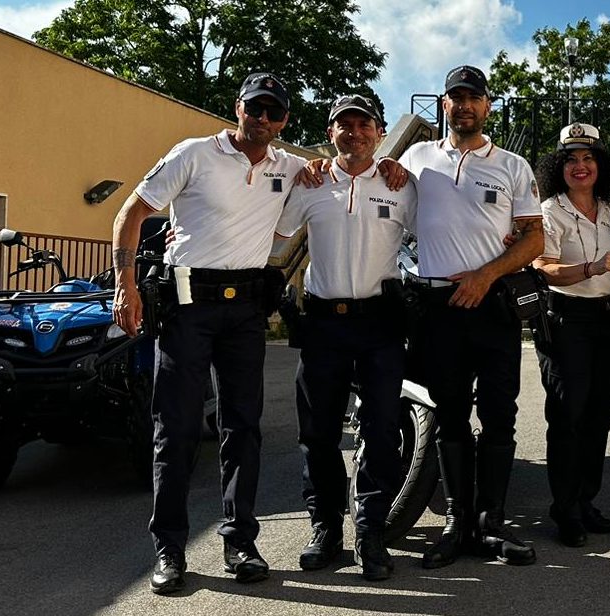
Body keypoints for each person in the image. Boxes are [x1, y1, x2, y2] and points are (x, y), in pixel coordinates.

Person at [111, 72, 305, 594]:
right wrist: (124, 286)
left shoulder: (293, 168)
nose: (261, 118)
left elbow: (347, 175)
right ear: (236, 107)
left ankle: (240, 541)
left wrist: (393, 169)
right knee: (174, 429)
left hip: (245, 309)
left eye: (273, 111)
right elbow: (131, 212)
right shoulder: (194, 153)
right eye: (253, 108)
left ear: (284, 120)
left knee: (243, 427)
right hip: (187, 306)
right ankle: (170, 549)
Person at [397, 65, 543, 568]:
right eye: (455, 98)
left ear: (487, 105)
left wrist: (485, 275)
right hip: (437, 308)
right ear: (443, 105)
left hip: (492, 306)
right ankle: (458, 522)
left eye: (473, 98)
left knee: (500, 414)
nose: (464, 106)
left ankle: (492, 523)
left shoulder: (513, 166)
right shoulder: (415, 158)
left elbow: (534, 238)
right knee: (450, 413)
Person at [274, 95, 416, 581]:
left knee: (380, 431)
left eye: (363, 124)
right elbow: (267, 228)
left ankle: (371, 530)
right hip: (322, 323)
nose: (353, 132)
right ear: (330, 133)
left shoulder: (401, 185)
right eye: (343, 125)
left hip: (380, 323)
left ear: (378, 132)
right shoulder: (310, 183)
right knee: (318, 432)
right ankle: (326, 527)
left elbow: (439, 232)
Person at [530, 123, 610, 547]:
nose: (580, 166)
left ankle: (586, 499)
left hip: (609, 321)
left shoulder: (609, 210)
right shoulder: (550, 210)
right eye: (571, 159)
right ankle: (565, 507)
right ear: (559, 166)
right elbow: (544, 267)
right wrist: (590, 268)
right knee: (568, 417)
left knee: (600, 416)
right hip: (568, 321)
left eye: (588, 158)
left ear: (600, 165)